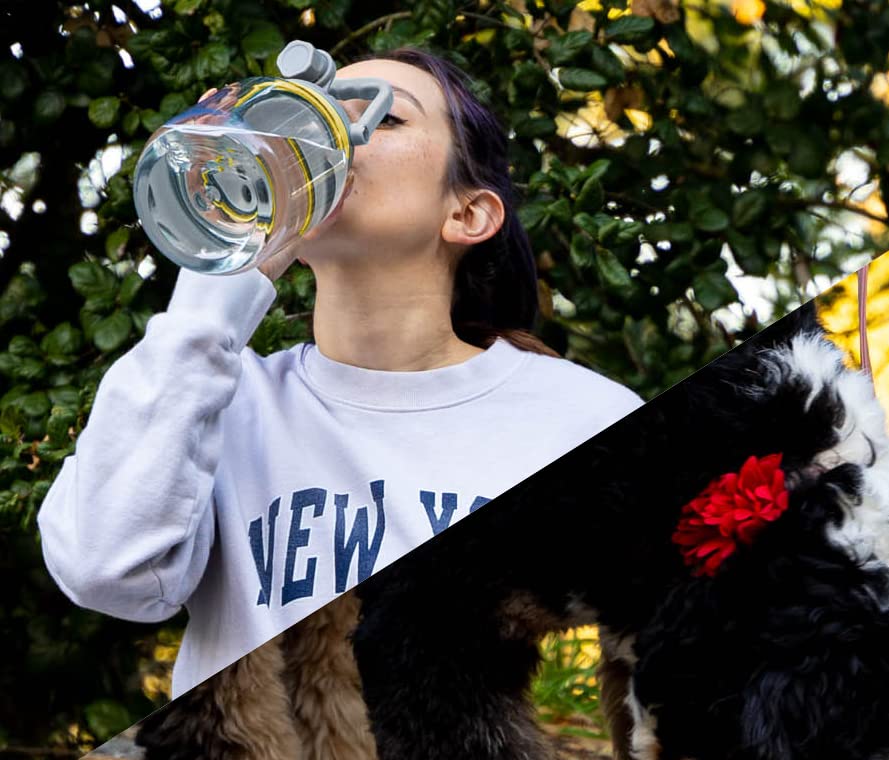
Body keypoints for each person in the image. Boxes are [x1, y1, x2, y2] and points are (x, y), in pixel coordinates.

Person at [37, 47, 645, 699]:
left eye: (383, 120)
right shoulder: (216, 399)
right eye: (314, 108)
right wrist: (224, 265)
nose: (326, 131)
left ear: (467, 214)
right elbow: (106, 573)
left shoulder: (579, 418)